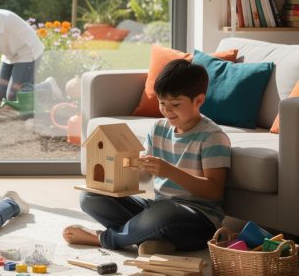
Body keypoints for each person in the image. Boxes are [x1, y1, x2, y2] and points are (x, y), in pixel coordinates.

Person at [63, 59, 231, 255]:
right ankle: (154, 240)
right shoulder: (158, 128)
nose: (167, 110)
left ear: (199, 101)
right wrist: (130, 168)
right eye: (162, 103)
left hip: (199, 221)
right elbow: (143, 178)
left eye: (175, 104)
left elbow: (214, 191)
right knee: (90, 196)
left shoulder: (213, 137)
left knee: (162, 214)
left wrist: (169, 171)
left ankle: (104, 238)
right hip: (157, 209)